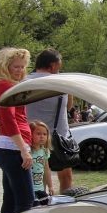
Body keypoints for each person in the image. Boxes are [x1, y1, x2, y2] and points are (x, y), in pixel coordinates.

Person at [0, 47, 33, 213]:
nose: (20, 70)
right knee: (26, 200)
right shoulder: (4, 86)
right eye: (16, 67)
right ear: (5, 67)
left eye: (22, 67)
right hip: (12, 148)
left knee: (12, 198)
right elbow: (9, 120)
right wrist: (23, 149)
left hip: (10, 148)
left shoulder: (5, 85)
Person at [24, 49, 79, 194]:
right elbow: (68, 107)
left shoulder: (23, 82)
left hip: (31, 136)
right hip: (59, 138)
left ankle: (39, 202)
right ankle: (64, 201)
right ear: (53, 65)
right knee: (65, 177)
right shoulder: (62, 84)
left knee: (37, 177)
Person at [29, 120, 54, 204]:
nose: (42, 136)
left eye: (44, 134)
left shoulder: (45, 151)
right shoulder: (27, 151)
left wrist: (50, 186)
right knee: (35, 208)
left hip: (40, 188)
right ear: (30, 134)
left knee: (47, 205)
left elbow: (47, 170)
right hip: (29, 189)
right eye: (38, 134)